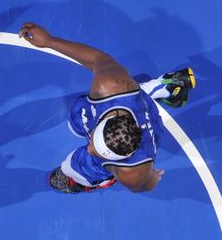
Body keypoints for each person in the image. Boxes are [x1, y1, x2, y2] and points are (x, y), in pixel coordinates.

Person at [18, 22, 195, 194]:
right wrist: (49, 41)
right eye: (94, 142)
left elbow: (146, 184)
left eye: (96, 151)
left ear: (121, 159)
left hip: (145, 119)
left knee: (79, 168)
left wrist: (152, 178)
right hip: (137, 107)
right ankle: (165, 86)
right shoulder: (110, 85)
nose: (89, 149)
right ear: (105, 122)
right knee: (125, 98)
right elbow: (97, 60)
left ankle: (78, 181)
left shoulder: (132, 173)